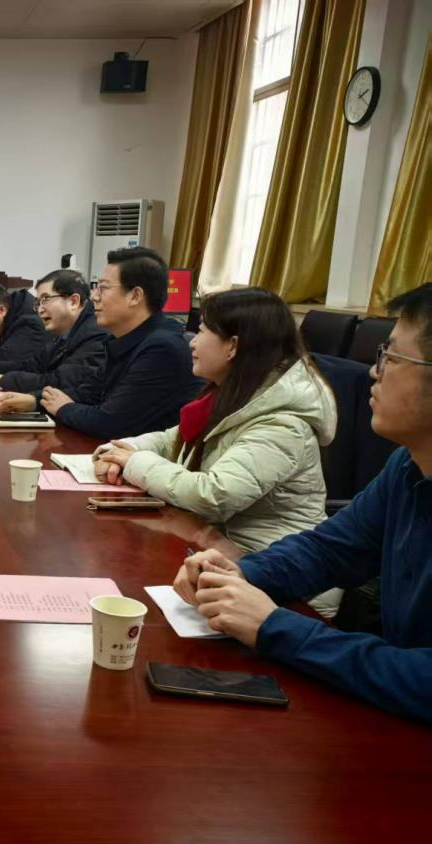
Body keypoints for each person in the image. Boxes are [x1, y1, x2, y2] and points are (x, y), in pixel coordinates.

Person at [174, 283, 432, 722]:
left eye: (390, 358)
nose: (374, 373)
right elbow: (330, 549)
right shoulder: (407, 466)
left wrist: (275, 626)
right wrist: (241, 573)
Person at [92, 287, 336, 557]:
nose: (192, 343)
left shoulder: (282, 424)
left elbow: (214, 496)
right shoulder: (232, 395)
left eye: (202, 332)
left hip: (271, 563)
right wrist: (120, 451)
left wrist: (134, 463)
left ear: (232, 346)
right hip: (215, 546)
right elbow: (172, 440)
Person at [42, 247, 197, 439]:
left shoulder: (162, 349)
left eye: (103, 288)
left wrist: (63, 408)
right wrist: (35, 400)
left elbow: (111, 422)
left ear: (135, 296)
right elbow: (89, 393)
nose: (94, 296)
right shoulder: (121, 339)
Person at [0, 269, 108, 412]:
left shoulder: (95, 334)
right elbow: (34, 365)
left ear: (73, 301)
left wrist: (8, 380)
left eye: (45, 299)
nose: (40, 310)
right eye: (38, 303)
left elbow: (62, 381)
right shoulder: (64, 332)